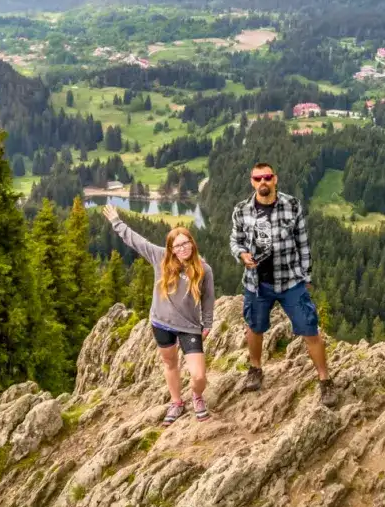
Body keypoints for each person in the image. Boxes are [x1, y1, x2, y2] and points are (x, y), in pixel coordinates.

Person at [229, 161, 337, 406]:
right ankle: (255, 369)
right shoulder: (241, 210)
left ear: (275, 179)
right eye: (257, 178)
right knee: (255, 327)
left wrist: (306, 277)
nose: (262, 182)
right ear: (252, 182)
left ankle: (325, 380)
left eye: (267, 177)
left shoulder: (292, 205)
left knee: (310, 329)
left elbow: (303, 243)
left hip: (290, 281)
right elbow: (235, 241)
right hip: (257, 283)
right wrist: (241, 254)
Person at [103, 203, 215, 425]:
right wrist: (117, 222)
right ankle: (176, 402)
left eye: (186, 243)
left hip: (190, 326)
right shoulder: (160, 258)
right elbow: (136, 241)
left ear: (192, 244)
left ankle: (196, 395)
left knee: (199, 376)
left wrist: (207, 323)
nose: (182, 248)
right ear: (171, 249)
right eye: (177, 245)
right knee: (170, 363)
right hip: (161, 323)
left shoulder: (204, 269)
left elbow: (208, 298)